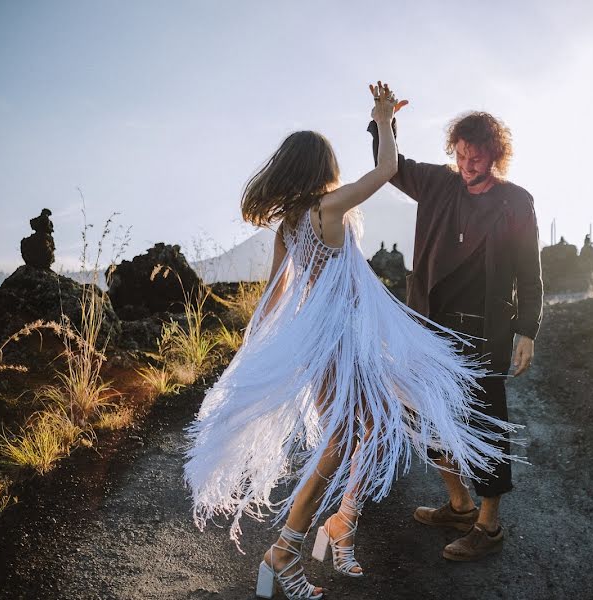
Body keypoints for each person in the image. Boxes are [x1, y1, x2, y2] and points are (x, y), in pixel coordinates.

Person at [182, 82, 518, 600]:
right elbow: (387, 171)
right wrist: (383, 119)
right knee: (344, 441)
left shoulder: (291, 223)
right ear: (321, 169)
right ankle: (285, 552)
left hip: (327, 343)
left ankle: (341, 524)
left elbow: (274, 294)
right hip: (342, 342)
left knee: (375, 429)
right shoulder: (327, 209)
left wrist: (257, 344)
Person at [367, 95, 543, 561]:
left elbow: (530, 273)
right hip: (428, 329)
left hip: (484, 333)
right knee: (422, 419)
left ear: (495, 154)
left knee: (484, 427)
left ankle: (488, 527)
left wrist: (527, 330)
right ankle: (459, 505)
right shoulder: (437, 183)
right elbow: (391, 165)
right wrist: (382, 122)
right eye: (461, 154)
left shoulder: (516, 203)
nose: (467, 164)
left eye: (477, 156)